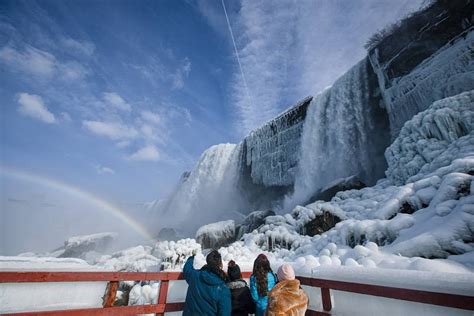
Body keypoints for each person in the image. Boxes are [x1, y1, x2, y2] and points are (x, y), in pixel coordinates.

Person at [183, 250, 231, 316]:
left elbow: (187, 269)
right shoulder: (222, 288)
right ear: (220, 264)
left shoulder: (195, 276)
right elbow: (225, 313)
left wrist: (191, 258)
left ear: (207, 261)